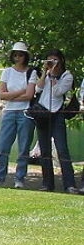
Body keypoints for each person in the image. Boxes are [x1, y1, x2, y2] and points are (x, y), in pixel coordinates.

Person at [0, 41, 38, 188]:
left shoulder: (31, 72)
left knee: (23, 148)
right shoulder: (7, 72)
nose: (18, 57)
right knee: (3, 146)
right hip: (9, 111)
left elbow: (29, 95)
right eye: (15, 55)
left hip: (25, 112)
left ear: (25, 56)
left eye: (21, 55)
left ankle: (19, 179)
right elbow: (2, 95)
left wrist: (12, 95)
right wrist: (20, 92)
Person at [32, 49, 78, 193]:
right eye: (49, 60)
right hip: (43, 113)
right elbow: (37, 89)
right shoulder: (46, 75)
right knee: (44, 151)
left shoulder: (67, 76)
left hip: (57, 114)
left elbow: (58, 92)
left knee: (62, 150)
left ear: (61, 60)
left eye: (55, 60)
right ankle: (47, 184)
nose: (52, 63)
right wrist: (46, 73)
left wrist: (53, 76)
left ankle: (69, 184)